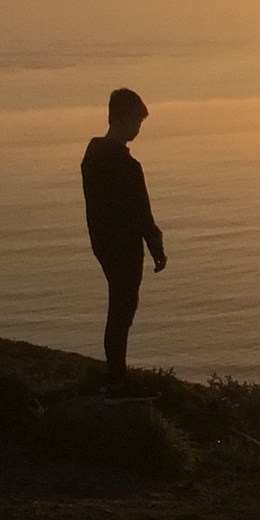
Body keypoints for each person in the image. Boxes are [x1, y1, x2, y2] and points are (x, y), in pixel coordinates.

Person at [83, 88, 169, 388]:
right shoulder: (126, 165)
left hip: (103, 244)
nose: (138, 129)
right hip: (124, 247)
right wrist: (156, 245)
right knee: (123, 309)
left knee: (118, 308)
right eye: (137, 121)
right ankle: (117, 378)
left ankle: (115, 372)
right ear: (126, 118)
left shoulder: (92, 155)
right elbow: (141, 213)